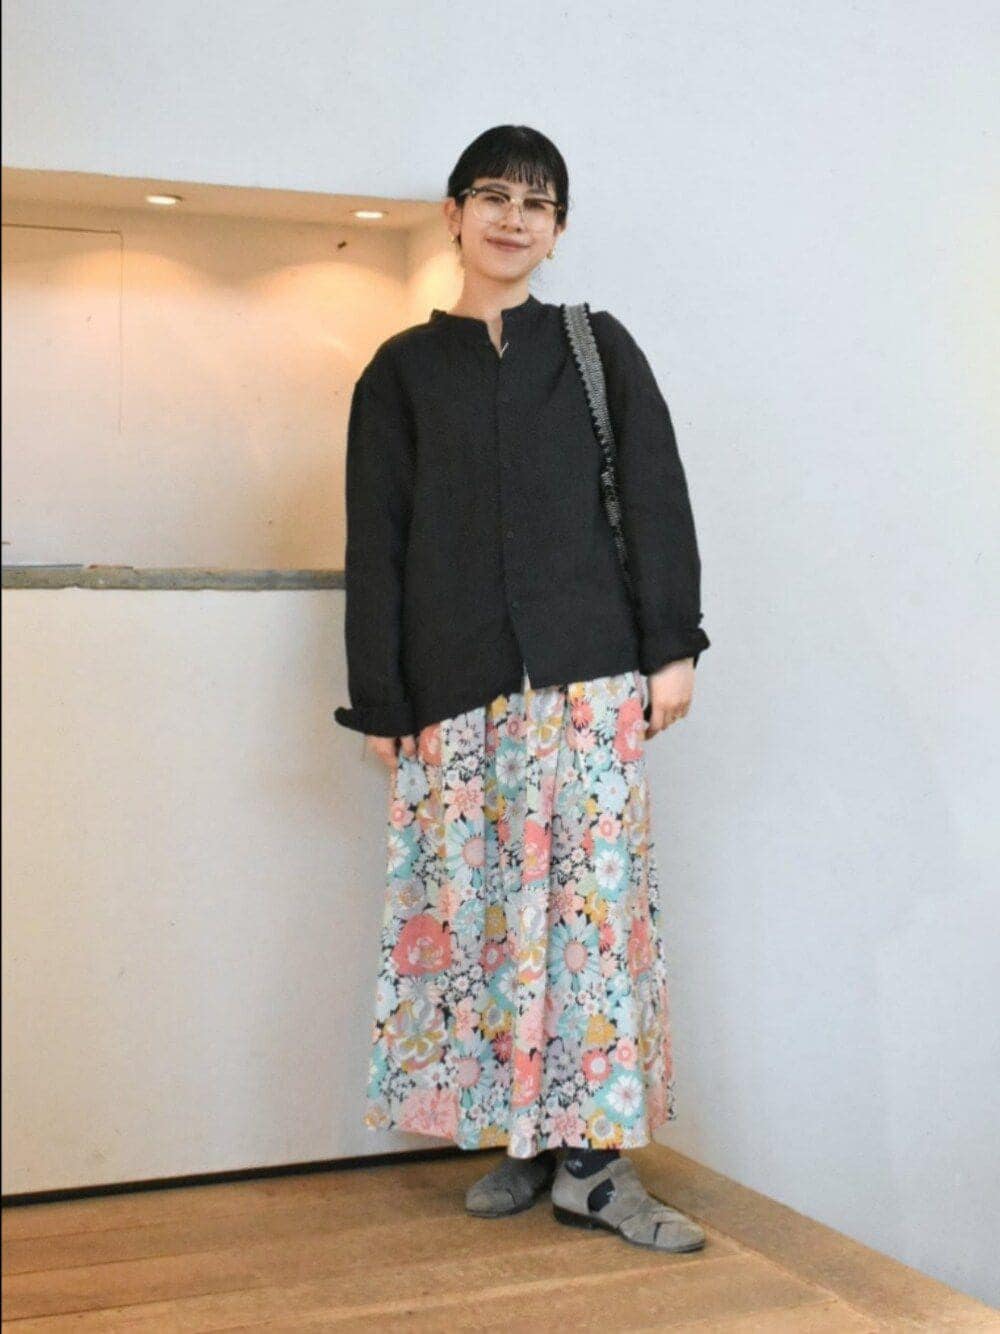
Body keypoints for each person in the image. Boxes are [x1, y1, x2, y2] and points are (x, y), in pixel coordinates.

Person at [334, 125, 710, 1254]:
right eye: (492, 195)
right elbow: (377, 542)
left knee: (588, 926)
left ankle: (595, 1166)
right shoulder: (399, 371)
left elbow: (656, 496)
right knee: (489, 925)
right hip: (456, 690)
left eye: (535, 203)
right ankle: (527, 1138)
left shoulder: (596, 349)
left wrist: (673, 647)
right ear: (453, 215)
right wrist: (382, 696)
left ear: (558, 229)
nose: (512, 217)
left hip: (589, 678)